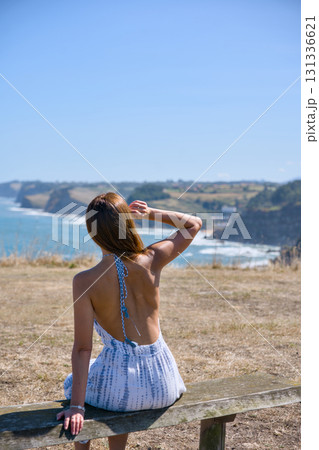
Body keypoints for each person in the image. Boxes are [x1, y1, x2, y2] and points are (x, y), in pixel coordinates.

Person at [56, 192, 202, 449]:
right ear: (127, 224)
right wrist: (151, 212)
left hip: (120, 389)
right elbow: (193, 224)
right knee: (104, 375)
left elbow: (82, 348)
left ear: (93, 233)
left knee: (75, 383)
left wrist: (77, 407)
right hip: (163, 384)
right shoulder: (153, 258)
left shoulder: (85, 281)